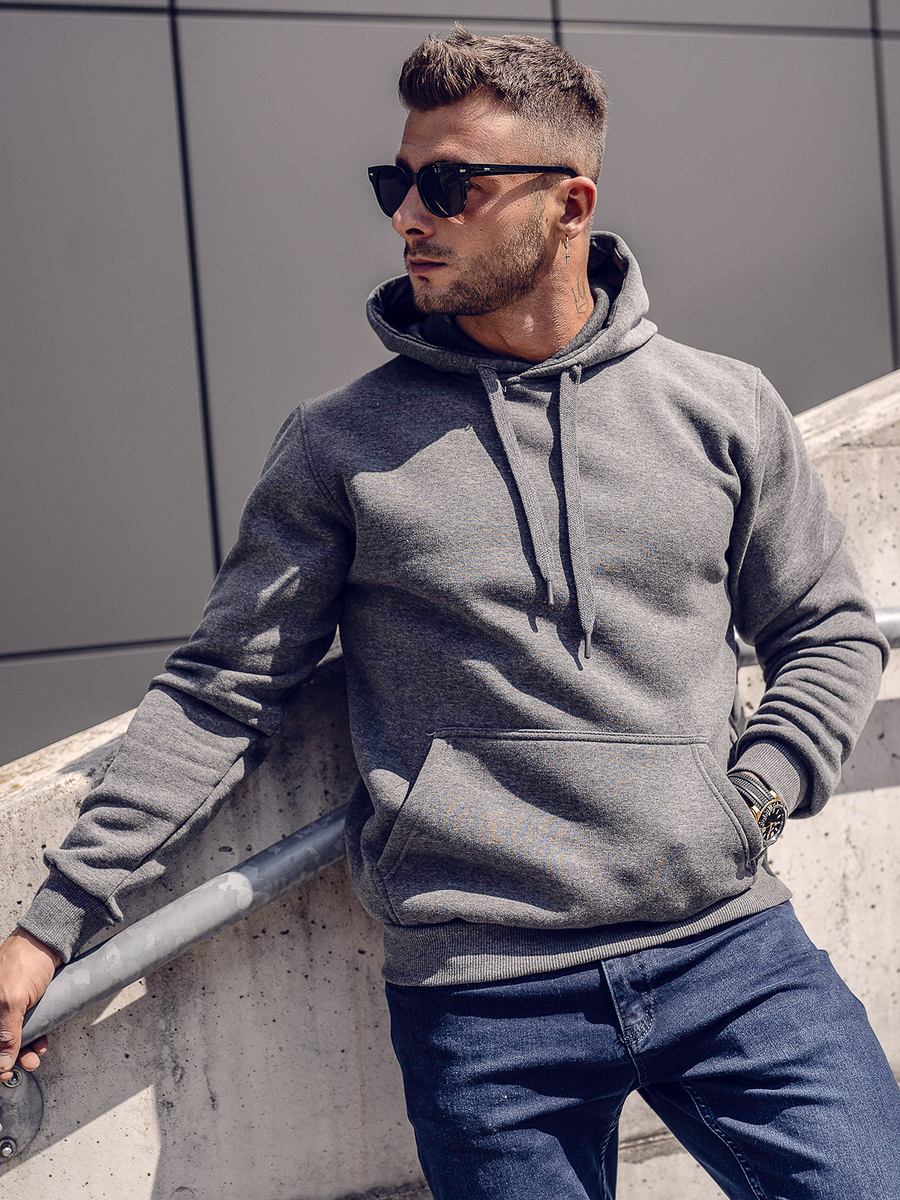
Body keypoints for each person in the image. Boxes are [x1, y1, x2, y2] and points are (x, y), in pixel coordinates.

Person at [1, 27, 898, 1198]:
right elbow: (221, 694)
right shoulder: (338, 446)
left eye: (449, 185)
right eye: (398, 180)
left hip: (729, 949)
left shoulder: (723, 408)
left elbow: (829, 631)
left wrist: (756, 796)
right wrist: (48, 927)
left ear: (569, 203)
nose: (405, 216)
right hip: (484, 1002)